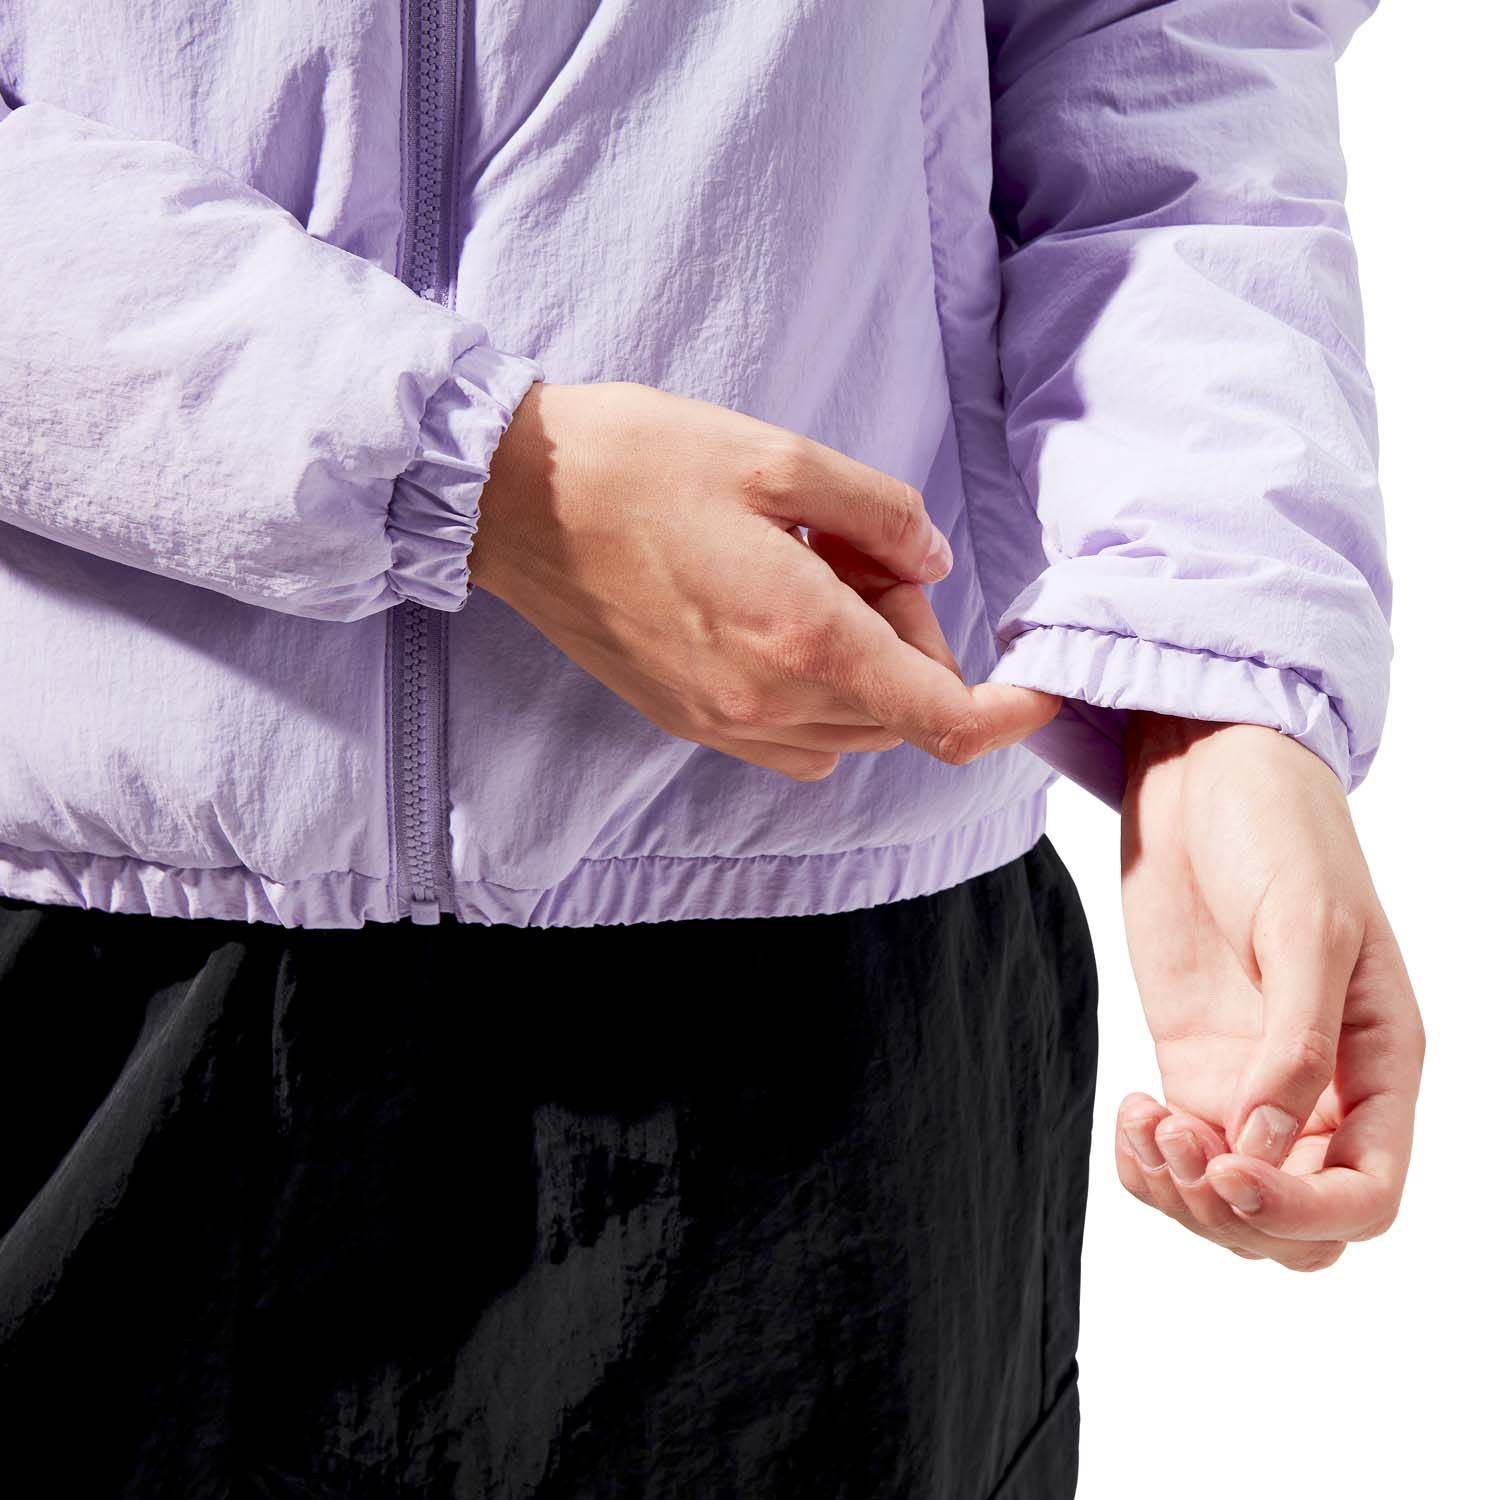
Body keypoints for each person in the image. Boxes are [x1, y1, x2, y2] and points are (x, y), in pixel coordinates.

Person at [0, 1, 1423, 1496]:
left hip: (831, 1020)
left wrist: (1211, 681)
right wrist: (484, 476)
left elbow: (1162, 52)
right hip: (65, 983)